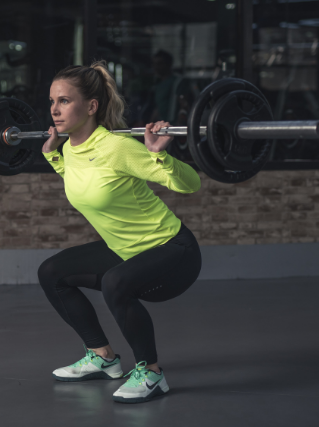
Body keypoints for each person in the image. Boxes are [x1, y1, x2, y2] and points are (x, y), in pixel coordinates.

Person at [38, 61, 202, 404]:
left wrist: (161, 157)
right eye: (52, 101)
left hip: (173, 250)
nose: (54, 110)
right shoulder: (69, 149)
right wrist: (54, 158)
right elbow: (83, 183)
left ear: (92, 106)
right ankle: (102, 357)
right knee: (52, 272)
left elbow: (190, 185)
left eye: (64, 101)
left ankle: (152, 373)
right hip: (126, 249)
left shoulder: (118, 148)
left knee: (115, 280)